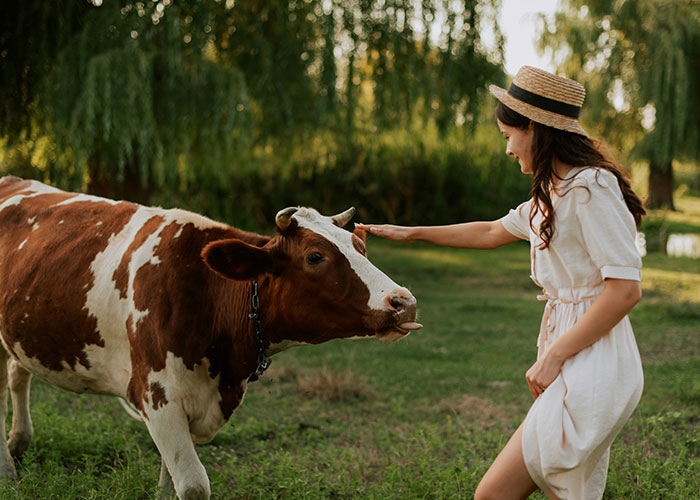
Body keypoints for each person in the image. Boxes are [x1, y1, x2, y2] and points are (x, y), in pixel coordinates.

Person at [356, 65, 646, 500]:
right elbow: (492, 231)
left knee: (495, 493)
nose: (507, 149)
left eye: (508, 136)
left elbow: (625, 290)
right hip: (574, 350)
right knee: (561, 488)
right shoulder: (551, 192)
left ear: (534, 128)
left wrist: (555, 357)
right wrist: (409, 231)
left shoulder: (591, 187)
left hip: (596, 357)